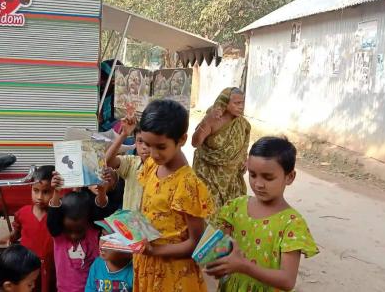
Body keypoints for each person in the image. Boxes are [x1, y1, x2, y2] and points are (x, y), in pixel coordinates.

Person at [204, 137, 318, 292]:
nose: (258, 184)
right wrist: (213, 260)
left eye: (268, 177)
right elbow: (220, 250)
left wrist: (244, 266)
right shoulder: (236, 207)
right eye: (252, 175)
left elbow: (287, 280)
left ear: (289, 177)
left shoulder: (292, 224)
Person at [133, 99, 214, 292]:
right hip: (147, 264)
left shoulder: (187, 185)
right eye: (147, 144)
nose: (152, 153)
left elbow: (196, 242)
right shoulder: (153, 166)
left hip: (173, 274)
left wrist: (156, 250)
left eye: (161, 147)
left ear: (182, 140)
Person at [192, 87, 251, 224]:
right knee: (209, 215)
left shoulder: (243, 124)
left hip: (230, 179)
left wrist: (244, 160)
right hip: (208, 176)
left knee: (229, 217)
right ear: (225, 103)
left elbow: (243, 148)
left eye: (242, 103)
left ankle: (226, 244)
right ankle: (207, 243)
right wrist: (207, 121)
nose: (241, 107)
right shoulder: (213, 119)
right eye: (236, 103)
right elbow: (195, 143)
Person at [0, 166, 56, 292]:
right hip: (27, 268)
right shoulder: (23, 213)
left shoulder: (56, 215)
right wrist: (8, 238)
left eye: (46, 192)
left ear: (55, 191)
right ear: (30, 188)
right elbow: (17, 233)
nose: (39, 197)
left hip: (51, 266)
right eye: (36, 190)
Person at [46, 174, 112, 292]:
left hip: (92, 288)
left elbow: (101, 210)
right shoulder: (58, 233)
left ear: (88, 221)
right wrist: (56, 193)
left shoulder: (92, 230)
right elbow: (53, 216)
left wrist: (102, 192)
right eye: (69, 230)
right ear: (61, 223)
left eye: (79, 230)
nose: (74, 235)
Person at [105, 117, 149, 212]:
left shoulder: (161, 169)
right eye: (140, 141)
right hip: (129, 225)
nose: (144, 147)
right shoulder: (131, 162)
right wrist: (123, 135)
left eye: (149, 142)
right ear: (135, 142)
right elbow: (108, 161)